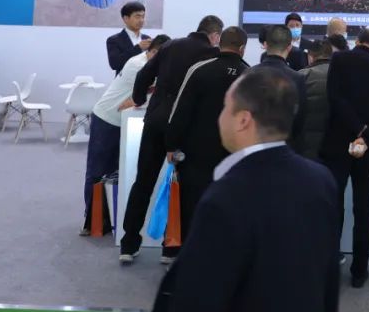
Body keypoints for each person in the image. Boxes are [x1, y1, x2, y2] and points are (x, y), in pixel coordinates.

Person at [152, 68, 340, 312]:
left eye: (225, 107)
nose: (221, 117)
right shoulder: (321, 179)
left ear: (243, 120)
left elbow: (198, 296)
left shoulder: (225, 197)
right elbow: (328, 275)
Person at [120, 15, 223, 265]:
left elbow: (144, 75)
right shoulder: (212, 54)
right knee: (182, 187)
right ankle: (171, 248)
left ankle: (129, 244)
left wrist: (140, 99)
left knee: (143, 182)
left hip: (155, 122)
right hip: (185, 128)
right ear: (215, 35)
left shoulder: (169, 46)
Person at [320, 28, 369, 288]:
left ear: (357, 42)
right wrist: (366, 133)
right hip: (368, 148)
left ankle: (329, 266)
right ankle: (359, 271)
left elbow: (334, 98)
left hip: (336, 143)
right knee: (363, 207)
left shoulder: (339, 60)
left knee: (333, 205)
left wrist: (356, 127)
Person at [164, 27, 249, 244]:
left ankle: (191, 256)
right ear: (242, 48)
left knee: (193, 207)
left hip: (197, 153)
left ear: (219, 44)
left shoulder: (199, 70)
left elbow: (180, 111)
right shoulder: (250, 76)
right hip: (235, 155)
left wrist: (171, 145)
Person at [82, 34, 171, 236]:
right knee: (96, 171)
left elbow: (141, 97)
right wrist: (140, 98)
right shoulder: (137, 65)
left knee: (114, 172)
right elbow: (143, 96)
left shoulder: (150, 64)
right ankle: (91, 221)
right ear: (154, 51)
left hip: (120, 121)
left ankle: (107, 220)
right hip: (106, 119)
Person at [249, 25, 307, 140]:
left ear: (266, 44)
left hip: (253, 141)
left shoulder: (249, 74)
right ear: (289, 47)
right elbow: (300, 118)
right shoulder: (297, 78)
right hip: (285, 141)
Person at [292, 38, 333, 162]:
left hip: (305, 144)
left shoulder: (301, 75)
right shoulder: (342, 74)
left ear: (310, 56)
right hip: (334, 143)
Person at [107, 1, 151, 75]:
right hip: (124, 81)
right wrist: (138, 48)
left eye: (143, 16)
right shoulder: (114, 40)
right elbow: (114, 64)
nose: (141, 20)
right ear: (126, 19)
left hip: (145, 80)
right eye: (137, 17)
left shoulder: (147, 38)